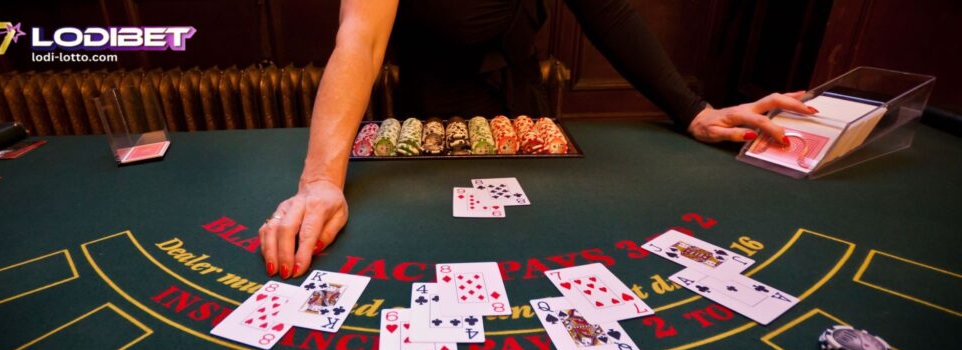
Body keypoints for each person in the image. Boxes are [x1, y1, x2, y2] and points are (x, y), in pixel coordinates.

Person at [258, 0, 817, 279]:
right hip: (437, 111)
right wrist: (319, 182)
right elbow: (361, 36)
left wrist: (693, 110)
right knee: (452, 262)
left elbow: (608, 11)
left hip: (521, 98)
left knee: (533, 258)